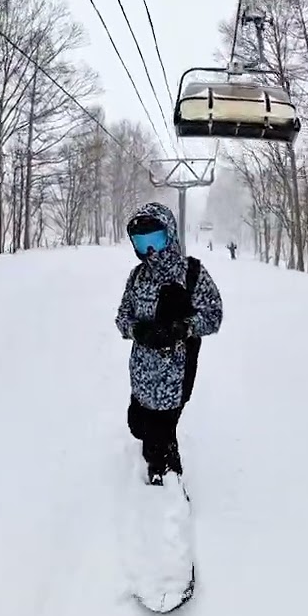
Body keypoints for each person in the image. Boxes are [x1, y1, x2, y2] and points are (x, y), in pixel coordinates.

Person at [115, 202, 224, 485]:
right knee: (137, 425)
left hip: (175, 372)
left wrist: (183, 328)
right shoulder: (137, 277)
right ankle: (156, 450)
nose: (150, 250)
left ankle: (164, 482)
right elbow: (122, 316)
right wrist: (137, 331)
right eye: (142, 242)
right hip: (141, 373)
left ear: (170, 235)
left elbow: (214, 315)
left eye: (156, 240)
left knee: (160, 434)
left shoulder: (192, 274)